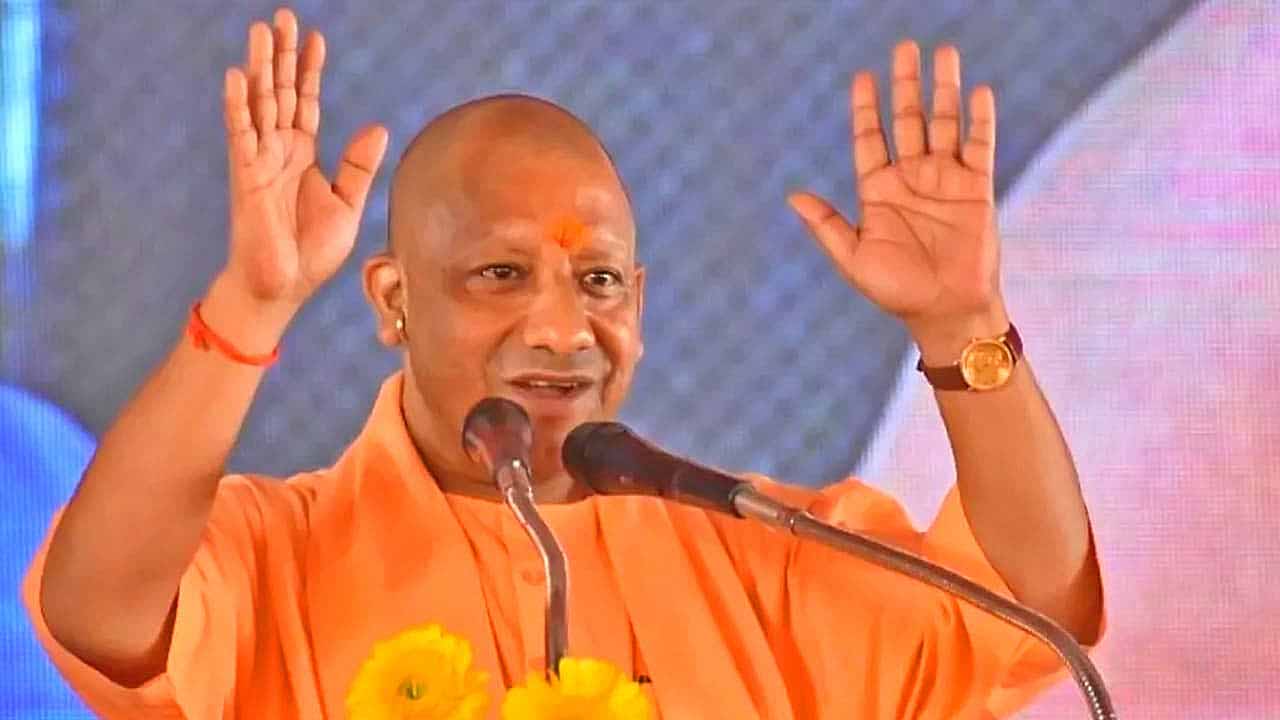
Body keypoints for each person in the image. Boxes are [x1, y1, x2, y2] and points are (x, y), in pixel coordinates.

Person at [24, 7, 1103, 719]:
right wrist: (250, 306)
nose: (561, 327)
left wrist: (961, 322)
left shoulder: (760, 556)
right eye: (500, 275)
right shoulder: (277, 557)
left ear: (639, 305)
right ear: (395, 300)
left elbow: (1028, 608)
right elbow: (95, 606)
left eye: (598, 280)